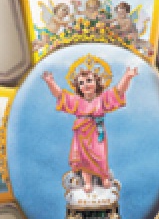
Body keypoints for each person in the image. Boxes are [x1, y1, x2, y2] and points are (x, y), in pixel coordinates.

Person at [42, 61, 137, 193]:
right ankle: (87, 182)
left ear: (96, 83)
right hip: (81, 134)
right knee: (83, 158)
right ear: (78, 87)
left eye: (89, 80)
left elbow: (118, 91)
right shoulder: (76, 101)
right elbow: (60, 95)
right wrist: (50, 82)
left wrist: (127, 76)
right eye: (81, 83)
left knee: (100, 155)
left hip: (97, 132)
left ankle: (104, 177)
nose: (85, 84)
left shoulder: (102, 99)